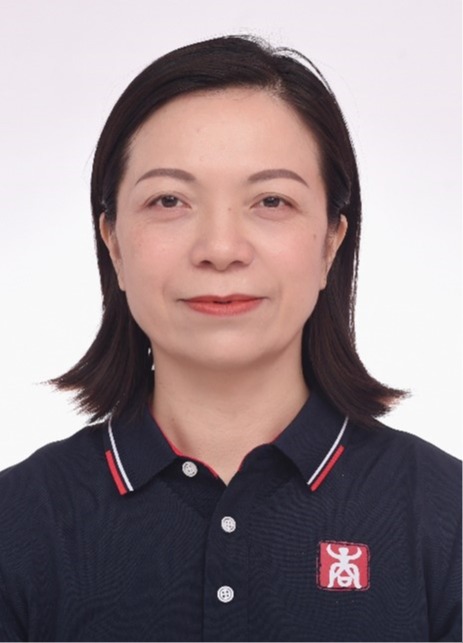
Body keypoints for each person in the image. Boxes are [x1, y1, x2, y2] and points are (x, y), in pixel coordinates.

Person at [0, 35, 460, 643]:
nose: (220, 249)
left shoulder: (446, 515)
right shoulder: (18, 521)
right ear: (113, 242)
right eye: (169, 200)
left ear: (331, 243)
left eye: (271, 200)